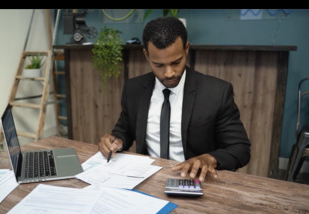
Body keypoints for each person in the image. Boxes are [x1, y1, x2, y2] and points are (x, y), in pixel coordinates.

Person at [99, 16, 250, 181]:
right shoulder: (134, 89)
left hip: (193, 181)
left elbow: (240, 148)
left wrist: (209, 159)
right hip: (146, 179)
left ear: (186, 49)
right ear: (146, 55)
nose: (169, 73)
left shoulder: (216, 92)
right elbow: (124, 131)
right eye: (159, 65)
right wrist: (115, 141)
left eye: (176, 62)